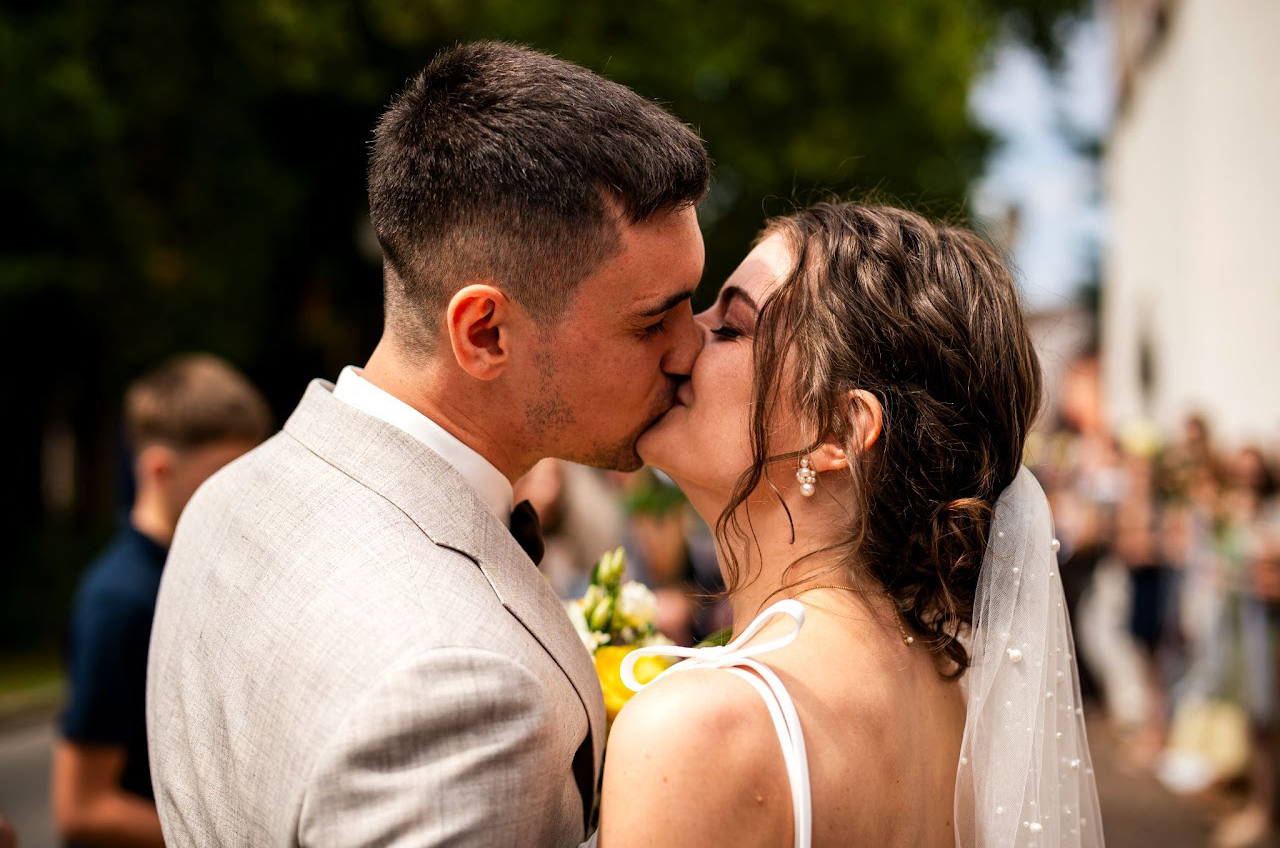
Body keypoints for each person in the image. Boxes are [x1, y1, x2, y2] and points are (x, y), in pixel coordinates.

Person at [146, 41, 708, 846]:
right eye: (653, 319)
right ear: (483, 332)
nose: (689, 350)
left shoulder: (232, 496)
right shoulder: (460, 690)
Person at [600, 203, 1103, 846]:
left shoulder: (702, 728)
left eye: (729, 326)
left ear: (836, 430)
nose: (681, 337)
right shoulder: (964, 707)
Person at [53, 354, 271, 847]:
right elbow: (82, 808)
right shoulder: (120, 600)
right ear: (159, 469)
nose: (245, 491)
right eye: (223, 472)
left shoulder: (200, 569)